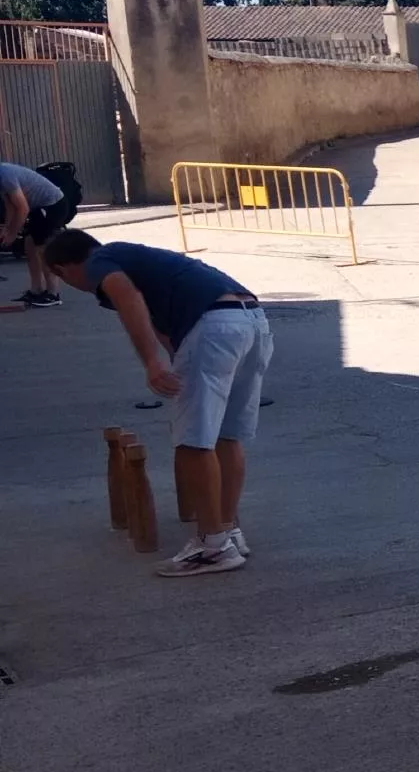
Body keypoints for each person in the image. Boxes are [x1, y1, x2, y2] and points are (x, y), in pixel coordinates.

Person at [46, 231, 270, 576]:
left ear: (63, 269)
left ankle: (213, 546)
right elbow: (160, 323)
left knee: (193, 440)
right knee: (227, 435)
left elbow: (129, 299)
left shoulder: (102, 262)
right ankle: (227, 530)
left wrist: (152, 362)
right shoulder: (139, 258)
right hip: (251, 320)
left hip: (214, 325)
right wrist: (173, 356)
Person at [3, 160, 79, 308]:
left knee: (42, 248)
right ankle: (36, 290)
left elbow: (22, 208)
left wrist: (12, 233)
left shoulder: (5, 175)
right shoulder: (3, 178)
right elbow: (10, 205)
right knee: (29, 245)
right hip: (39, 207)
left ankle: (53, 294)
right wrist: (7, 228)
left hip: (53, 205)